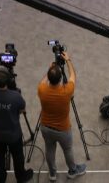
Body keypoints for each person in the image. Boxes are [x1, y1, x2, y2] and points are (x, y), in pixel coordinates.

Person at [37, 51, 87, 179]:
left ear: (49, 78)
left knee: (49, 149)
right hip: (63, 130)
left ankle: (52, 173)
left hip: (45, 128)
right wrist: (68, 60)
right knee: (67, 150)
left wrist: (51, 69)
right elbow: (73, 75)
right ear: (60, 79)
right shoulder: (67, 91)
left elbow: (44, 80)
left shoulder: (41, 89)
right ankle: (72, 171)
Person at [0, 66, 32, 183]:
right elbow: (21, 110)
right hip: (13, 135)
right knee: (18, 156)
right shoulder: (16, 96)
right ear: (8, 81)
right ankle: (21, 177)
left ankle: (1, 178)